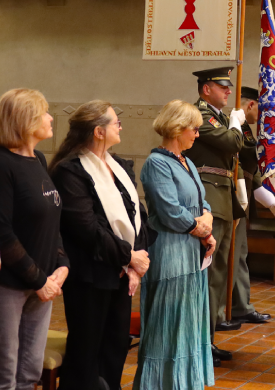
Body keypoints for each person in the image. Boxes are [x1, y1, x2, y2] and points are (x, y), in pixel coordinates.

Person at [49, 101, 153, 390]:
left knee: (115, 348)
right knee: (87, 353)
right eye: (116, 122)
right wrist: (129, 256)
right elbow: (87, 228)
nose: (121, 127)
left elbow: (138, 215)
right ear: (98, 131)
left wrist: (135, 263)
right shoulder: (70, 171)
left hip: (120, 273)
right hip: (91, 275)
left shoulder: (118, 165)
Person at [133, 100, 216, 388]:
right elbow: (169, 210)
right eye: (194, 129)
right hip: (170, 250)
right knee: (168, 322)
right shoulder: (156, 163)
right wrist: (198, 227)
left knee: (189, 320)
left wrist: (206, 226)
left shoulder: (187, 161)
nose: (197, 134)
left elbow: (201, 200)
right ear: (178, 128)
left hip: (191, 249)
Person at [0, 89, 69, 389]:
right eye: (44, 113)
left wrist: (62, 264)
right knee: (5, 374)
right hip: (10, 284)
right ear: (26, 120)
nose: (51, 118)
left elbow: (51, 219)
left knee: (29, 373)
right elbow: (2, 233)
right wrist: (39, 280)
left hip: (43, 282)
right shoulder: (3, 164)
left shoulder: (38, 159)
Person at [184, 67, 246, 363]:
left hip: (223, 197)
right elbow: (233, 143)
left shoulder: (217, 118)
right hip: (209, 198)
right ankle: (199, 343)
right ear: (206, 89)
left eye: (229, 86)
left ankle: (207, 340)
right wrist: (235, 124)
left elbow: (241, 149)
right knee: (207, 274)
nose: (229, 91)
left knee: (218, 274)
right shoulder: (199, 115)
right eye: (223, 87)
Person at [218, 86, 272, 328]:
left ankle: (240, 305)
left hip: (243, 196)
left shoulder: (245, 128)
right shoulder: (230, 124)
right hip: (229, 196)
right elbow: (233, 159)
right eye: (259, 109)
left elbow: (251, 164)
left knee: (239, 254)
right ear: (250, 105)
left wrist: (266, 197)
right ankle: (219, 311)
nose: (260, 115)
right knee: (227, 255)